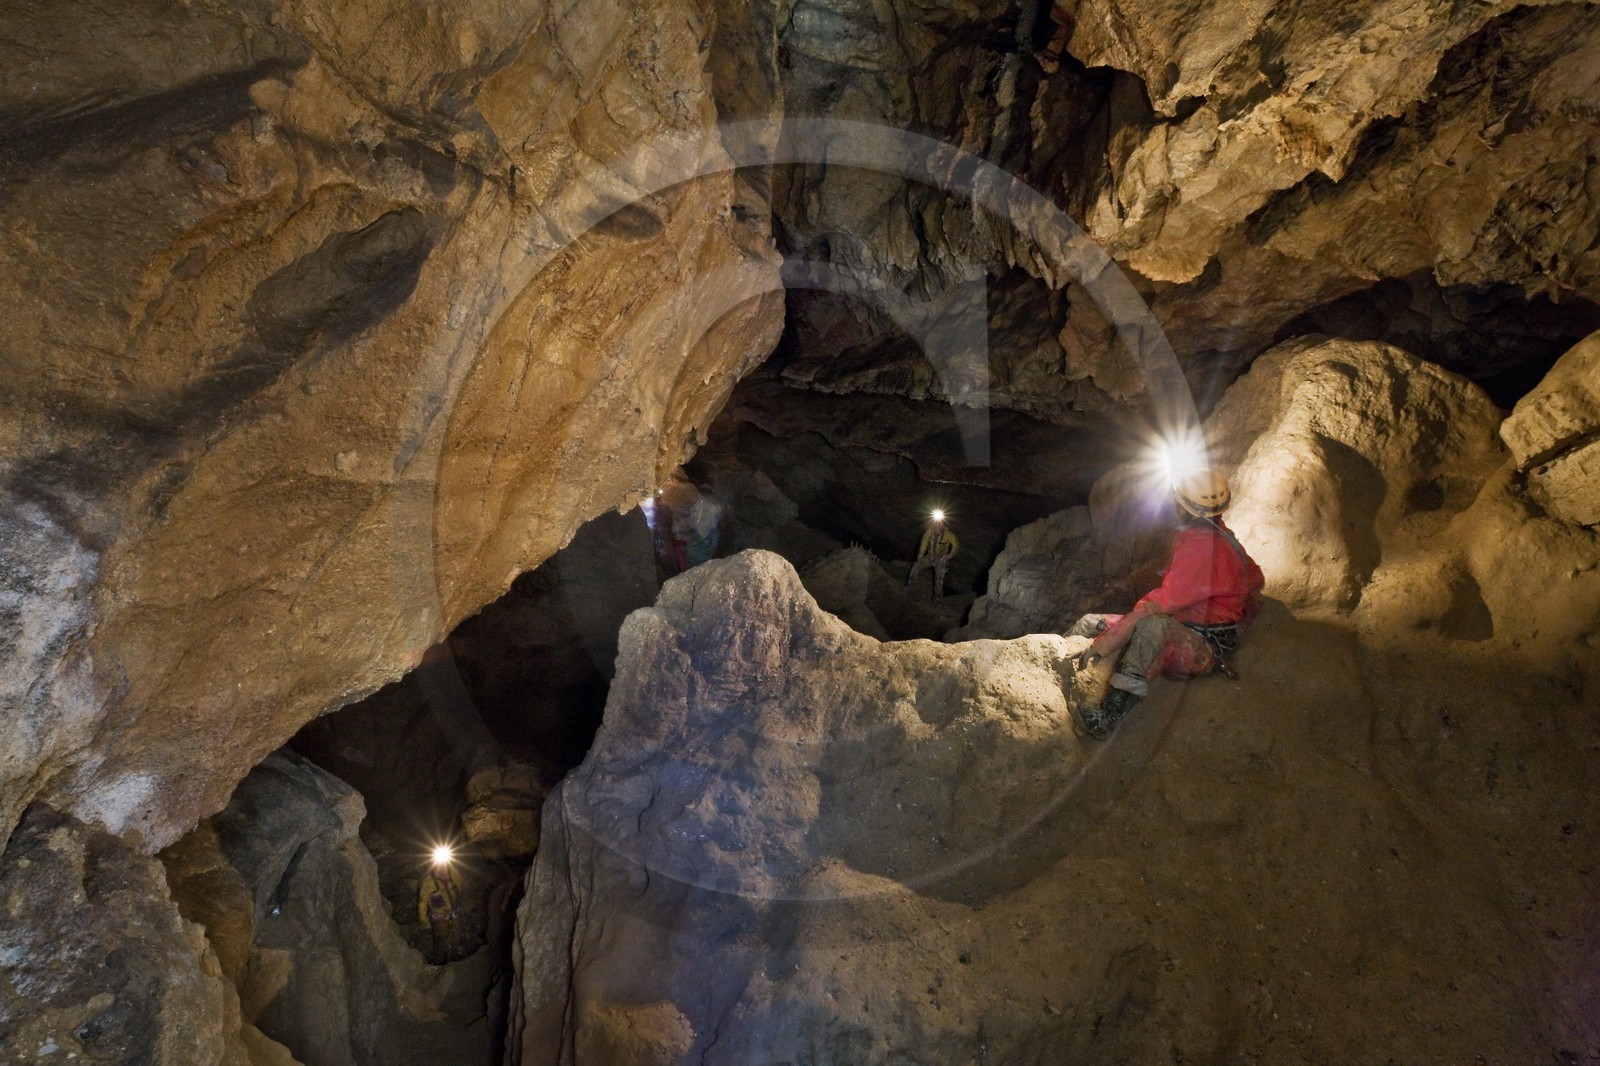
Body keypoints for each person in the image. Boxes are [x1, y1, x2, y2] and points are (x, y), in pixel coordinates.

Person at [1071, 468, 1264, 739]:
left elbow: (1154, 607)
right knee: (1091, 622)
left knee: (1150, 626)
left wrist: (1103, 644)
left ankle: (1109, 717)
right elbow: (1254, 578)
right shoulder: (1222, 535)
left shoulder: (1200, 549)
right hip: (1195, 627)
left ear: (1185, 508)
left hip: (1202, 647)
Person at [418, 852, 460, 964]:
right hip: (439, 918)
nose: (442, 868)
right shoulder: (427, 882)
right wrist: (425, 922)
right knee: (441, 942)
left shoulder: (453, 873)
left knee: (455, 937)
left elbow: (460, 885)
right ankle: (441, 965)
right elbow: (422, 904)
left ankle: (455, 960)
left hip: (454, 913)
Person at [906, 510, 959, 600]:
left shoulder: (948, 534)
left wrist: (949, 555)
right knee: (916, 565)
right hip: (930, 557)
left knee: (939, 579)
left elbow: (956, 545)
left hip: (940, 559)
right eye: (936, 525)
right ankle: (909, 585)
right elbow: (924, 543)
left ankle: (937, 599)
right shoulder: (929, 532)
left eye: (939, 525)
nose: (937, 527)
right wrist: (920, 555)